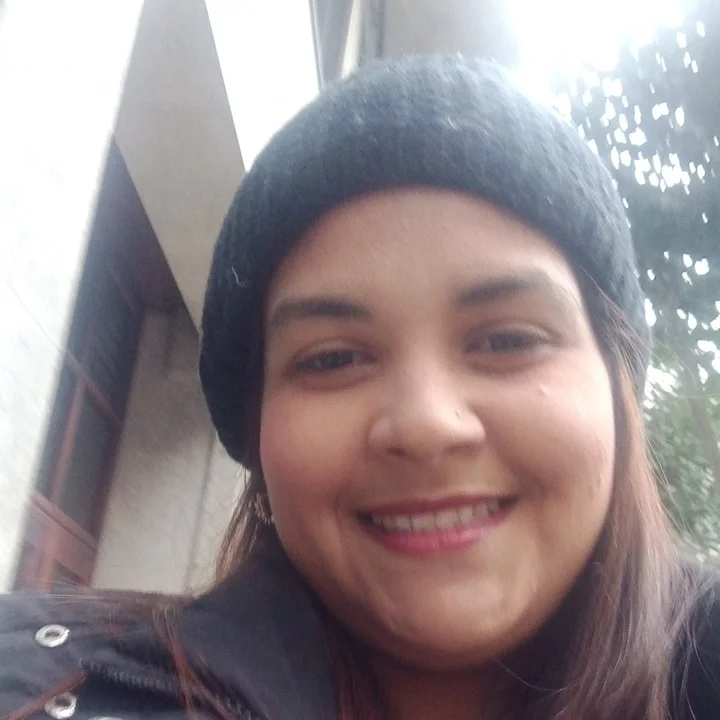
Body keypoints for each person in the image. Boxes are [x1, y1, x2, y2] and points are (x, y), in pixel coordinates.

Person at [1, 55, 719, 720]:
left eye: (507, 341)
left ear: (616, 390)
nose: (426, 424)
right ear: (258, 436)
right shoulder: (50, 686)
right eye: (333, 358)